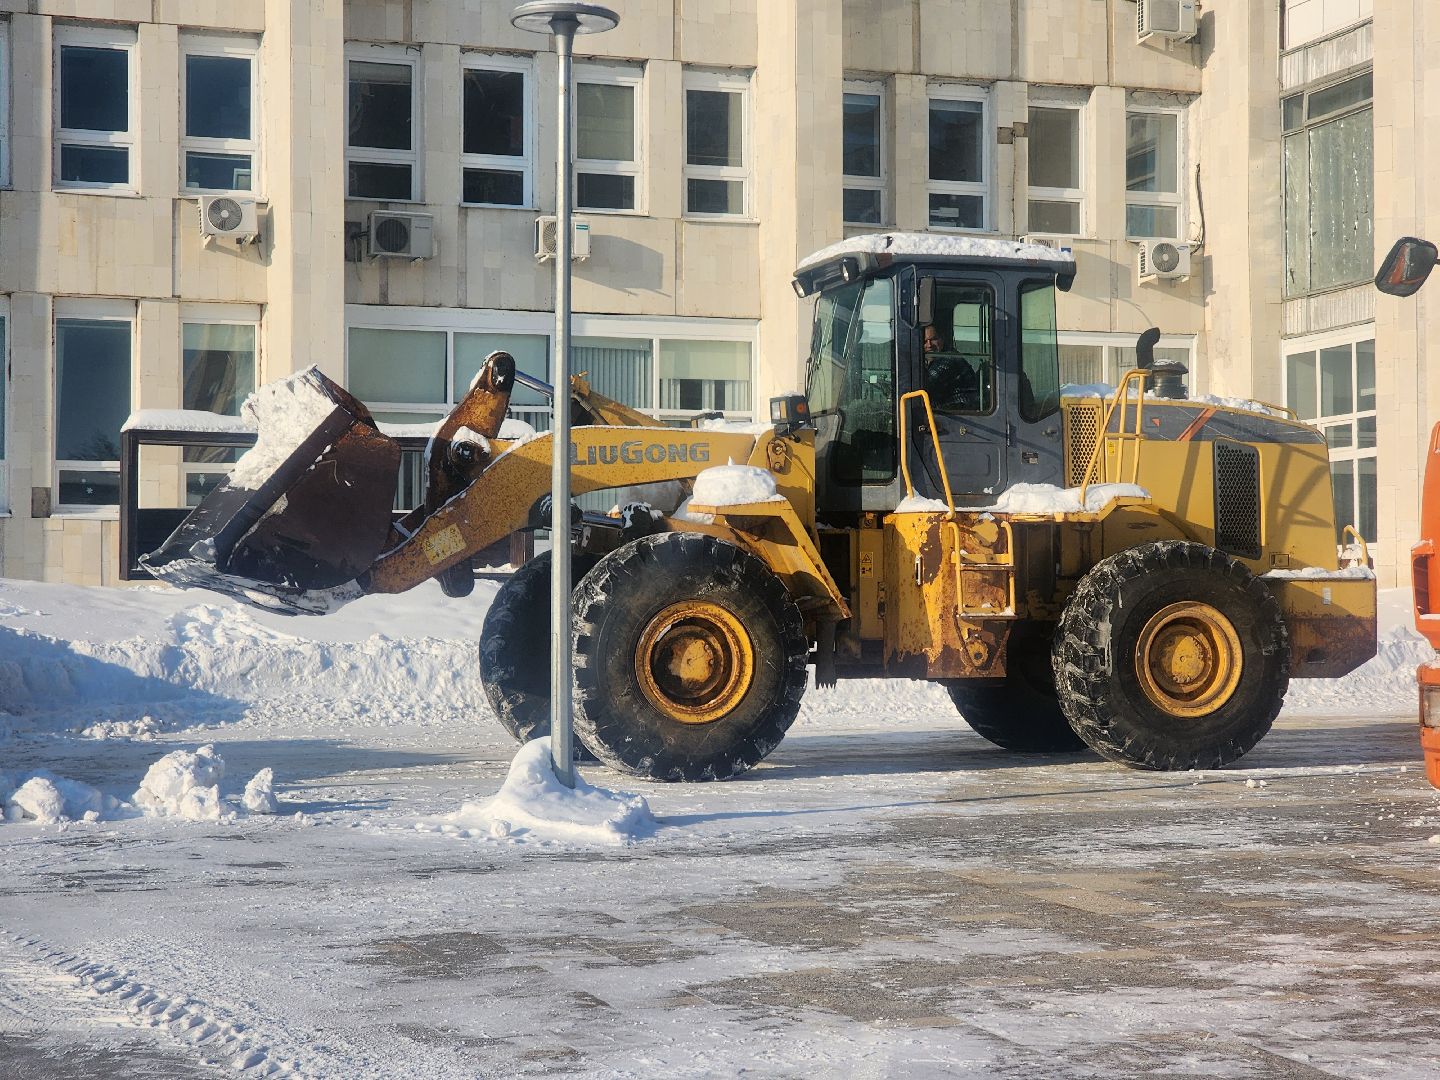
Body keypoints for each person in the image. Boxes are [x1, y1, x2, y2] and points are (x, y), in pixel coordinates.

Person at [921, 324, 979, 410]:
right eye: (925, 341)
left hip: (959, 411)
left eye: (933, 339)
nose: (929, 345)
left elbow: (927, 384)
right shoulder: (931, 360)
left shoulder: (949, 358)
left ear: (942, 339)